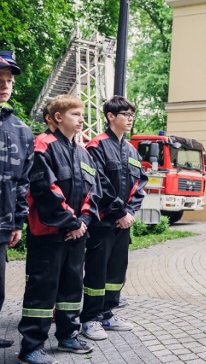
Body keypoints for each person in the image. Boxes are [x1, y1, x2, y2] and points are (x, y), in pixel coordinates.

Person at [18, 94, 100, 364]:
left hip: (76, 235)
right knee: (42, 290)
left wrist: (84, 222)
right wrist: (72, 222)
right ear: (56, 118)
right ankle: (31, 346)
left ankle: (68, 335)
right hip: (48, 234)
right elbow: (45, 190)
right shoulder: (41, 146)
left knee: (71, 288)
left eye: (82, 114)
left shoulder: (82, 151)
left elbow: (93, 191)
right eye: (75, 114)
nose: (81, 119)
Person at [80, 96, 148, 340]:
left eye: (132, 115)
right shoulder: (96, 146)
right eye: (125, 115)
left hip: (123, 223)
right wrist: (120, 212)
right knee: (97, 271)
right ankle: (90, 319)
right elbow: (99, 184)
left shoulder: (131, 149)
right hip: (103, 222)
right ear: (111, 116)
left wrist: (130, 212)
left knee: (117, 270)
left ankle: (108, 313)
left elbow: (140, 184)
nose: (130, 119)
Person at [0, 51, 34, 349]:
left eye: (8, 80)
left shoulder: (21, 129)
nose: (5, 85)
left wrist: (17, 222)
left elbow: (24, 180)